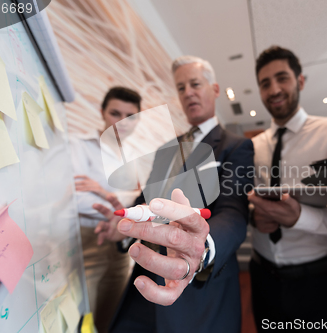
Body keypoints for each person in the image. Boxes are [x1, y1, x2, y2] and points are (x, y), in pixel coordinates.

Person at [95, 56, 254, 333]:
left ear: (215, 89)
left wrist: (201, 247)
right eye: (181, 88)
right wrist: (122, 227)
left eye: (195, 84)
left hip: (199, 290)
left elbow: (234, 210)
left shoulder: (236, 146)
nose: (188, 92)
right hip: (145, 282)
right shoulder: (167, 149)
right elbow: (146, 201)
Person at [247, 46, 327, 332]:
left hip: (321, 283)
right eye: (265, 83)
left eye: (282, 78)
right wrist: (253, 216)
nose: (274, 89)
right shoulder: (252, 147)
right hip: (264, 278)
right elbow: (247, 201)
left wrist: (299, 216)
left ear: (300, 81)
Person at [69, 87, 141, 333]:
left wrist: (106, 194)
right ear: (102, 112)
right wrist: (119, 204)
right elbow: (74, 197)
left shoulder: (132, 158)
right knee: (80, 323)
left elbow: (136, 202)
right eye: (114, 113)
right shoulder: (80, 146)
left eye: (129, 117)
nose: (122, 123)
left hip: (121, 249)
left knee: (111, 320)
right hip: (90, 245)